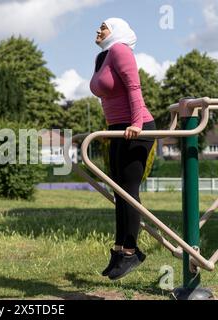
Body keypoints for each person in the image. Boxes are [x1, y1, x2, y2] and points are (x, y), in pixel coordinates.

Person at [89, 18, 156, 280]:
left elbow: (133, 87)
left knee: (128, 191)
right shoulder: (101, 57)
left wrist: (137, 123)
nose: (98, 30)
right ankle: (118, 251)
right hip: (116, 129)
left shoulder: (120, 51)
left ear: (116, 31)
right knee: (118, 192)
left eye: (103, 27)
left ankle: (131, 252)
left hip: (136, 129)